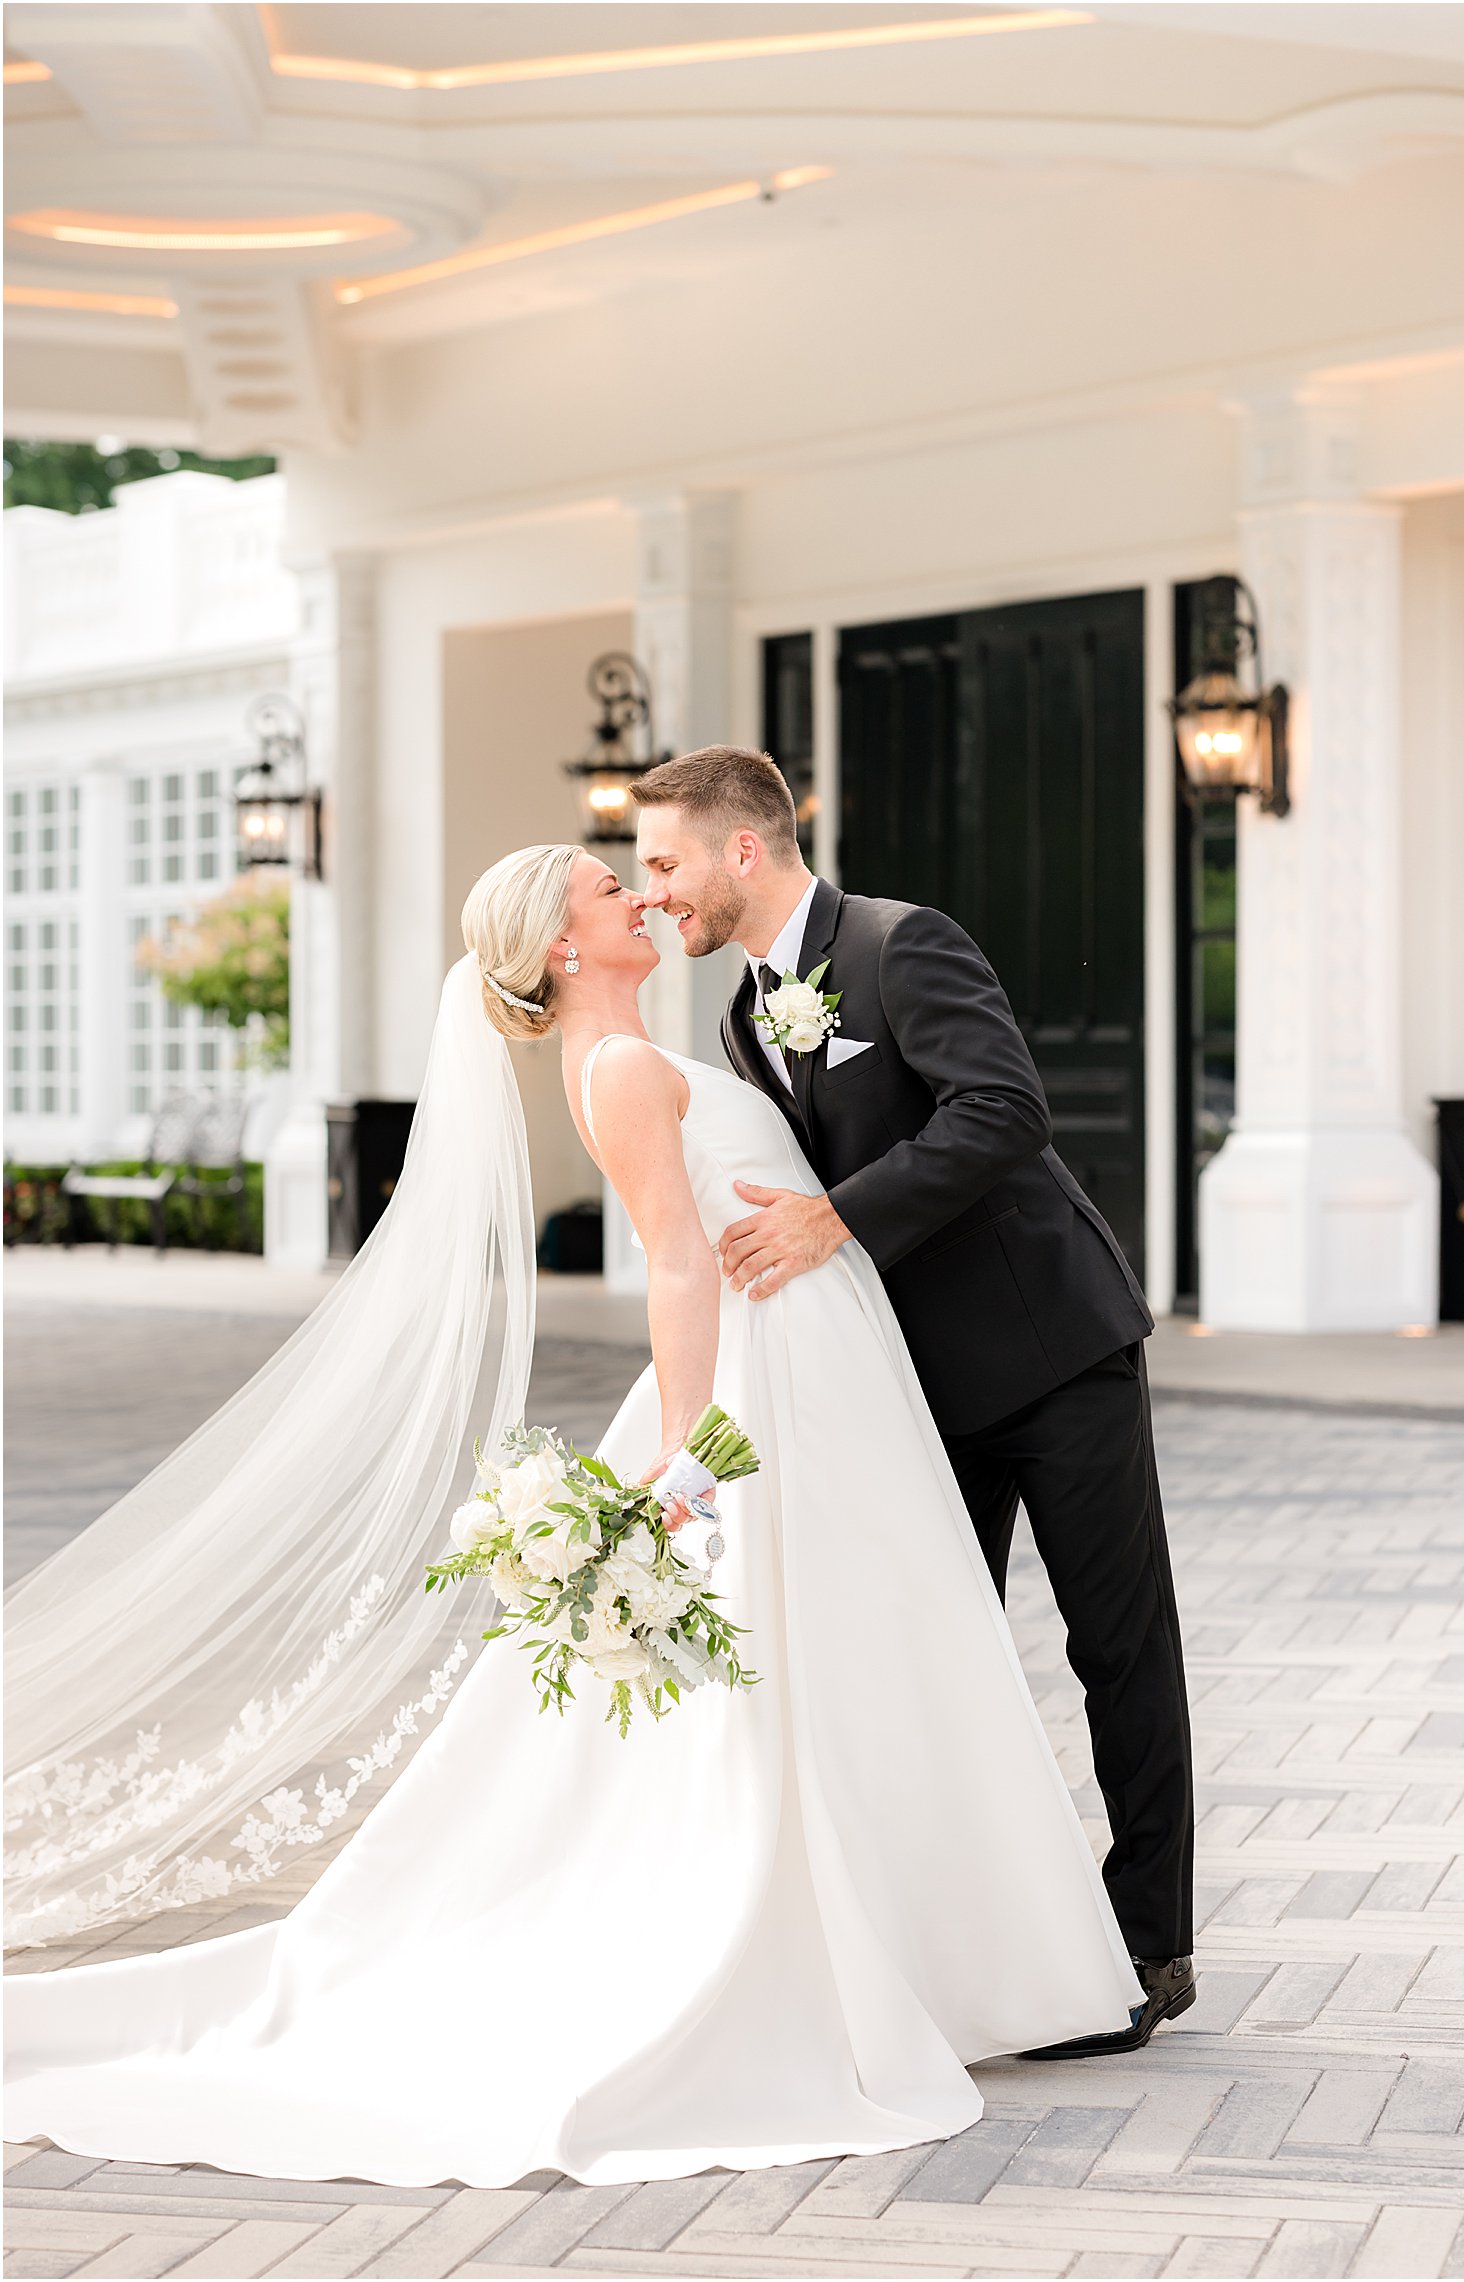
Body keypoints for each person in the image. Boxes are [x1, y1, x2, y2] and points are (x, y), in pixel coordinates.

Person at [5, 841, 1142, 2190]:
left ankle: (936, 1959)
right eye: (615, 888)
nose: (642, 898)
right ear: (562, 944)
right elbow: (675, 1263)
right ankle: (854, 1963)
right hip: (765, 1389)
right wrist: (691, 1461)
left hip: (826, 1367)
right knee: (823, 1679)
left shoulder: (661, 1045)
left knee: (877, 1662)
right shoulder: (614, 1068)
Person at [631, 747, 1196, 2057]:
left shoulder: (901, 945)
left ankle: (1146, 1943)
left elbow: (1005, 1110)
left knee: (1116, 1646)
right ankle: (997, 1945)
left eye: (664, 862)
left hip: (1055, 1349)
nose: (653, 892)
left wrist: (836, 1214)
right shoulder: (735, 1022)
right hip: (916, 1389)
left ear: (742, 851)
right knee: (949, 1654)